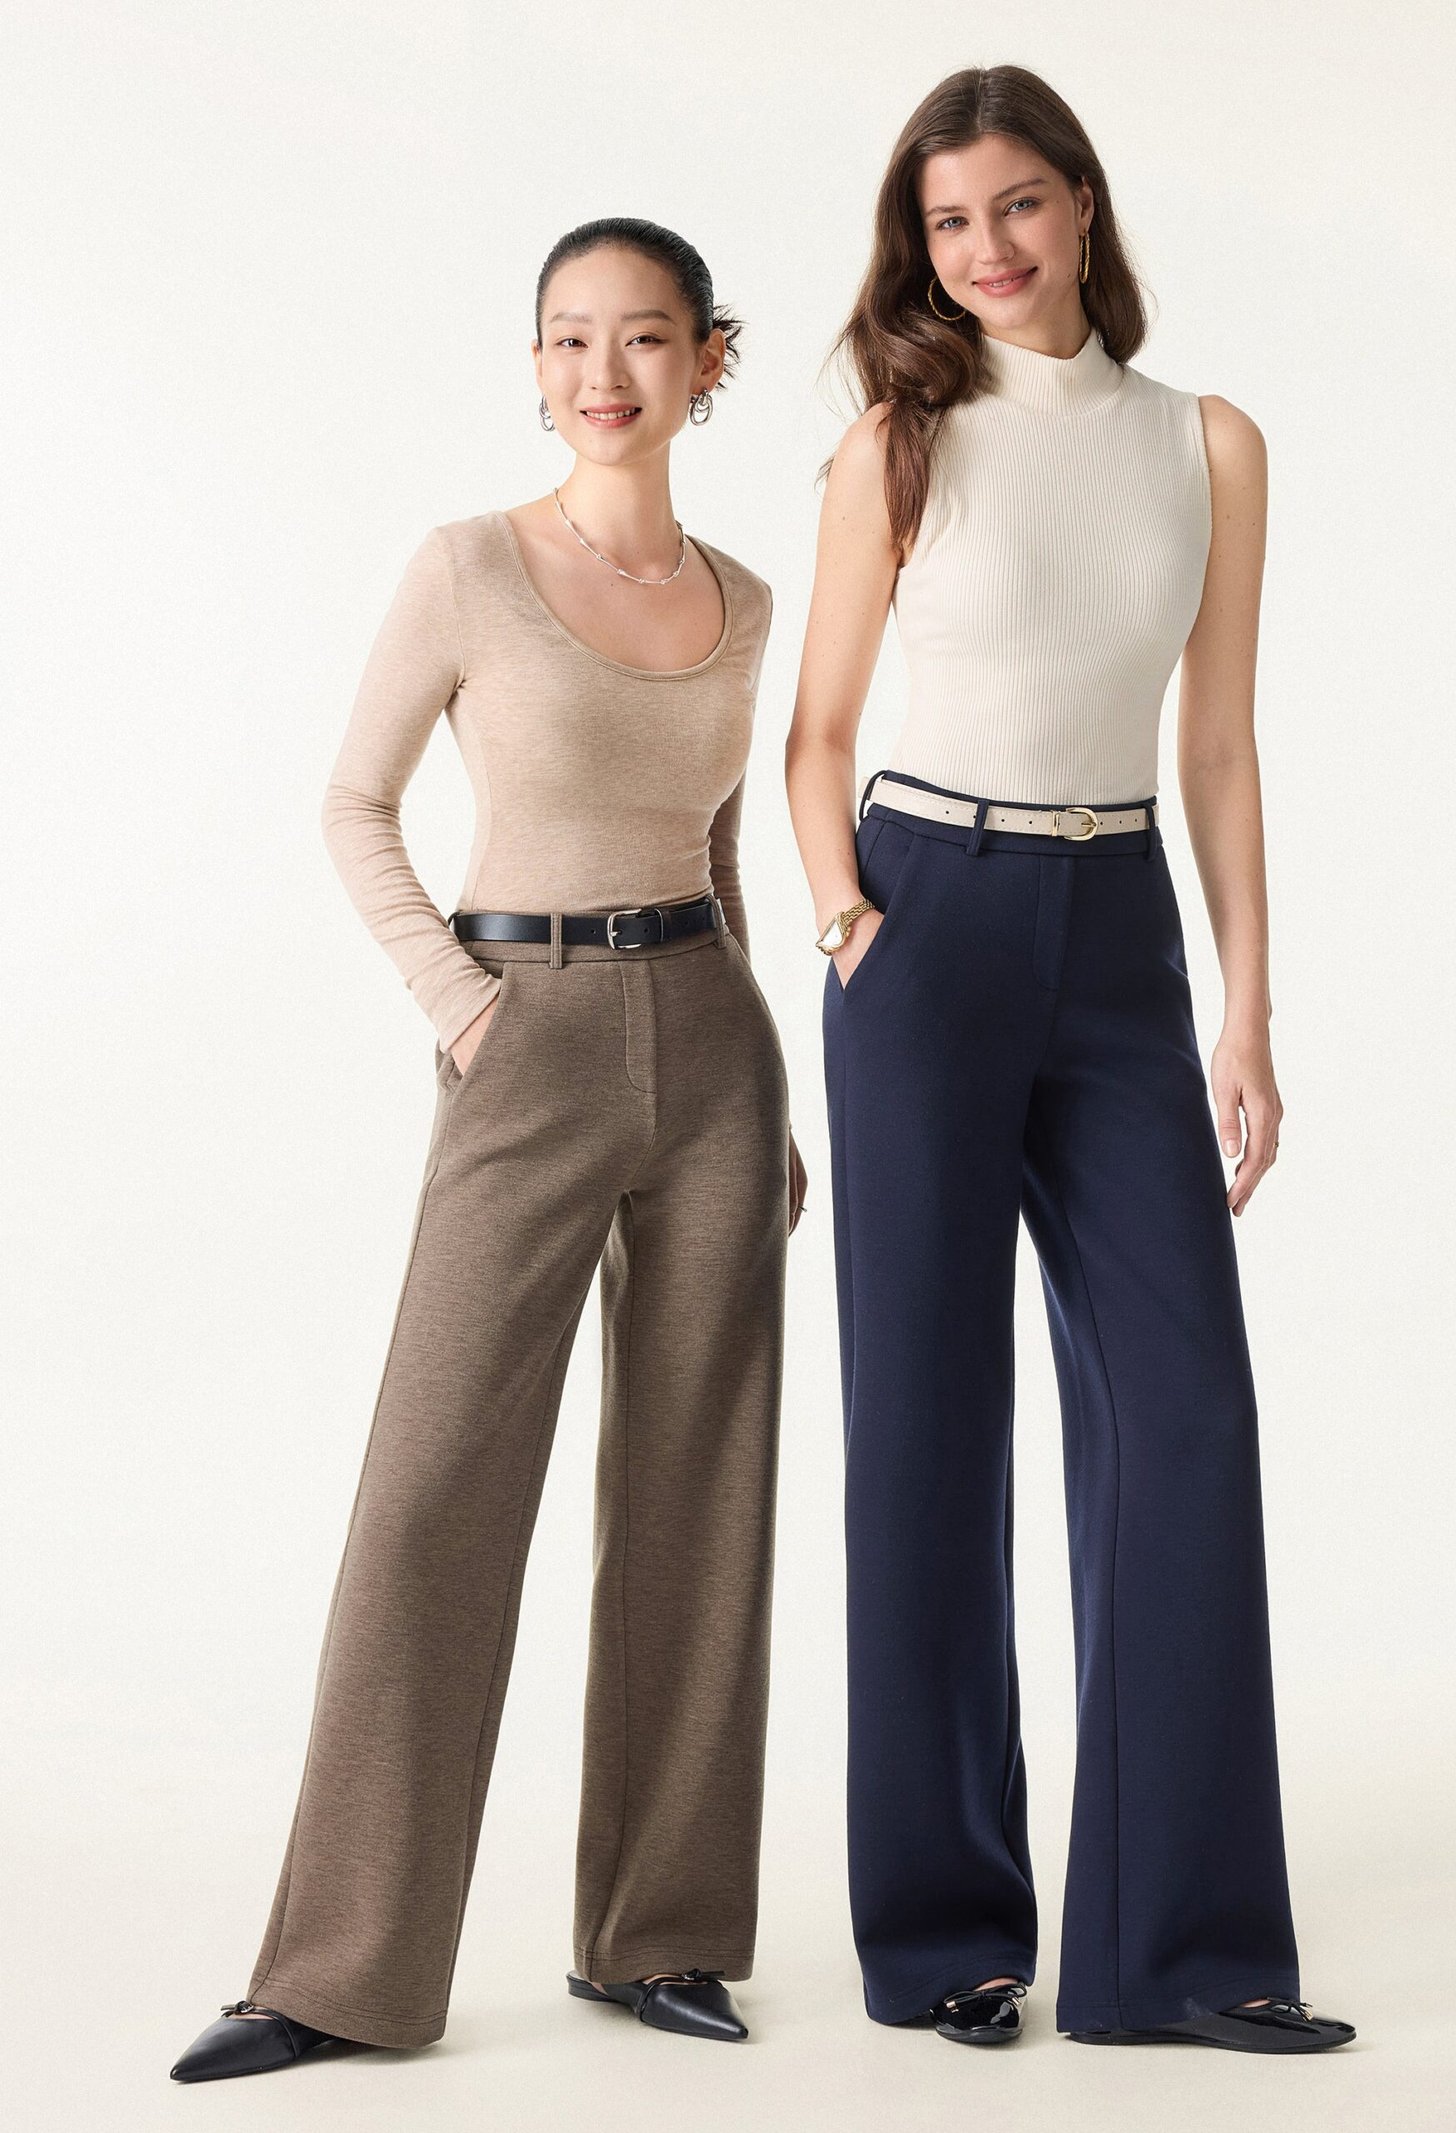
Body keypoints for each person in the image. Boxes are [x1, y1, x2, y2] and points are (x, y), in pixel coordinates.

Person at [172, 217, 800, 2084]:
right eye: (570, 338)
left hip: (712, 1043)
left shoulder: (747, 599)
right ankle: (341, 1969)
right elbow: (352, 804)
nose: (604, 372)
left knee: (702, 1490)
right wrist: (462, 1008)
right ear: (536, 366)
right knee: (433, 1489)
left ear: (707, 363)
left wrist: (770, 1092)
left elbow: (714, 847)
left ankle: (661, 1934)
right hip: (520, 1031)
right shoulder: (467, 567)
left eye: (645, 337)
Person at [785, 65, 1354, 2055]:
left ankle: (1179, 1949)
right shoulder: (898, 443)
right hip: (924, 918)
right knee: (924, 1428)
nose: (988, 249)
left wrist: (1245, 1005)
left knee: (1182, 1410)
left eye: (1018, 205)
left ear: (1083, 205)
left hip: (1118, 928)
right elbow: (815, 734)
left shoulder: (1207, 443)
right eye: (949, 222)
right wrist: (850, 925)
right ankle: (946, 1932)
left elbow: (1218, 744)